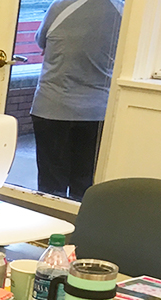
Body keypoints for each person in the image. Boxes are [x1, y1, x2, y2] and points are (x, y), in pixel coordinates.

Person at [30, 0, 123, 200]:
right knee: (85, 182)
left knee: (50, 184)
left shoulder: (60, 6)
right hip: (97, 111)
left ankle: (51, 218)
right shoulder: (122, 11)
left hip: (51, 106)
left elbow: (41, 41)